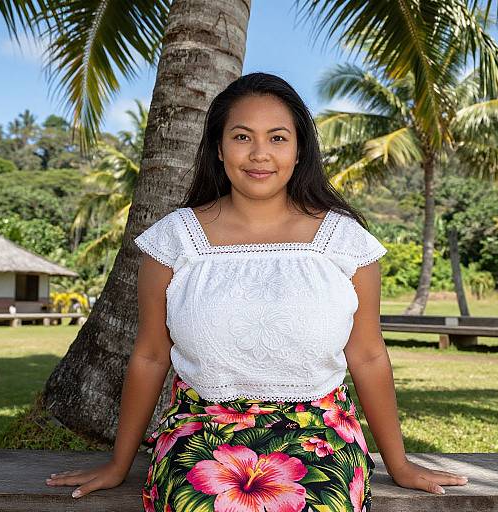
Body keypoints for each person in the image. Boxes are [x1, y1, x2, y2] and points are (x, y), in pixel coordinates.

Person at [45, 72, 469, 510]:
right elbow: (151, 354)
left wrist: (397, 463)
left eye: (278, 138)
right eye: (242, 136)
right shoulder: (174, 241)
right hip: (201, 429)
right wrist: (119, 463)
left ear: (300, 148)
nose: (260, 154)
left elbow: (368, 353)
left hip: (319, 431)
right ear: (218, 147)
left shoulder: (345, 242)